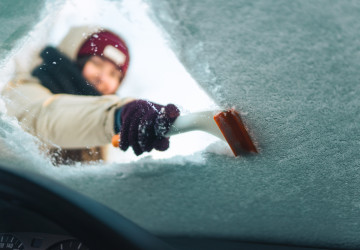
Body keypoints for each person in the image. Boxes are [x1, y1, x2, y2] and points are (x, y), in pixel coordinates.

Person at [1, 26, 180, 164]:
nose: (103, 78)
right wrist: (118, 116)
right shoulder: (23, 90)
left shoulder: (107, 139)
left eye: (114, 75)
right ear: (75, 59)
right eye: (96, 63)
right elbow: (45, 119)